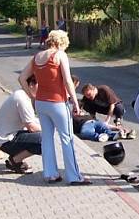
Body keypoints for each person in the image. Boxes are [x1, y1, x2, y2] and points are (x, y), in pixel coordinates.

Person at [20, 29, 90, 185]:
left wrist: (32, 96)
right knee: (67, 139)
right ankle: (74, 176)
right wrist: (76, 102)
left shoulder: (36, 57)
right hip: (58, 103)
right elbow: (67, 81)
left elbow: (22, 78)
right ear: (61, 42)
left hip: (41, 103)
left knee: (47, 138)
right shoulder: (60, 55)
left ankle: (50, 174)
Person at [0, 74, 42, 174]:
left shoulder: (22, 94)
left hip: (9, 136)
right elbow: (31, 127)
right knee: (43, 139)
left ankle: (15, 158)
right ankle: (15, 161)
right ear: (31, 84)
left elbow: (32, 120)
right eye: (40, 86)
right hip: (6, 140)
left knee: (41, 137)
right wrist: (49, 128)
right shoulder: (22, 99)